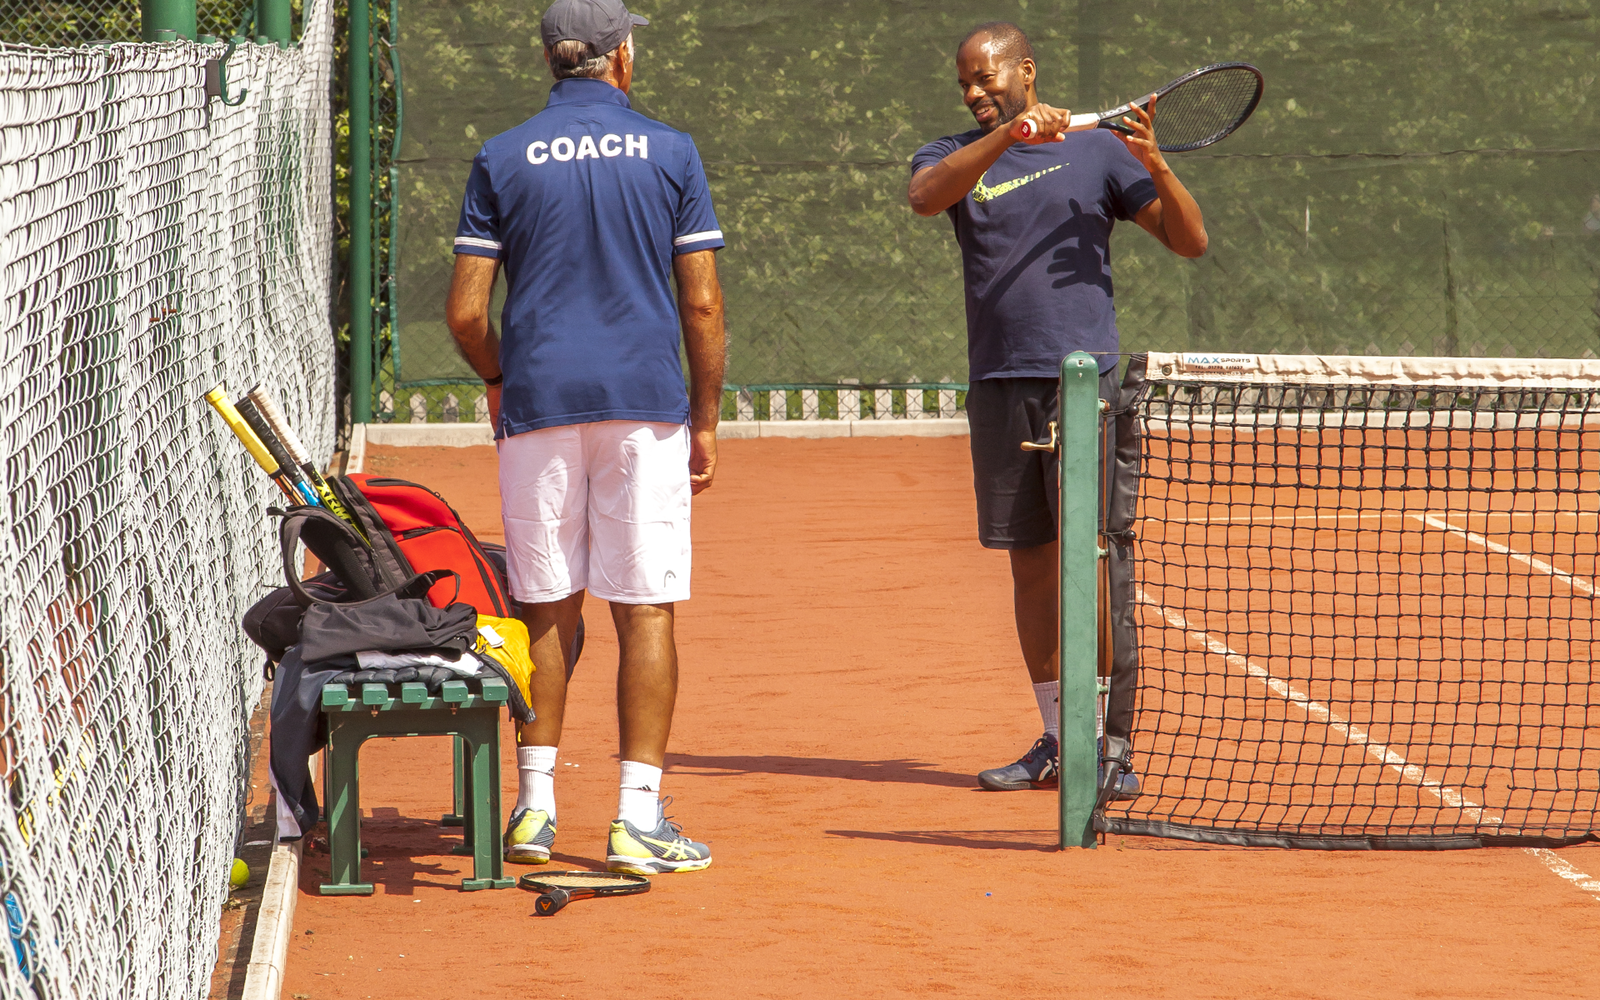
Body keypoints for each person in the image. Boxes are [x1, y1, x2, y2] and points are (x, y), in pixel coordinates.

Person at [445, 0, 726, 874]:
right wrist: (706, 420)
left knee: (543, 608)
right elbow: (704, 303)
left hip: (536, 404)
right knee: (644, 610)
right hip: (645, 404)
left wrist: (500, 378)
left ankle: (533, 812)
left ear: (552, 61)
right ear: (620, 57)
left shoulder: (502, 154)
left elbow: (463, 313)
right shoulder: (671, 150)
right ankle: (636, 818)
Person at [907, 22, 1206, 794]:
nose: (975, 92)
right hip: (1000, 386)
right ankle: (1059, 736)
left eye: (988, 78)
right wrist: (1009, 133)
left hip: (1084, 388)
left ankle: (1111, 747)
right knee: (1032, 568)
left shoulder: (1101, 152)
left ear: (1026, 70)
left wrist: (1159, 169)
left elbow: (1189, 241)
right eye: (965, 84)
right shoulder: (954, 156)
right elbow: (923, 198)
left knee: (1096, 565)